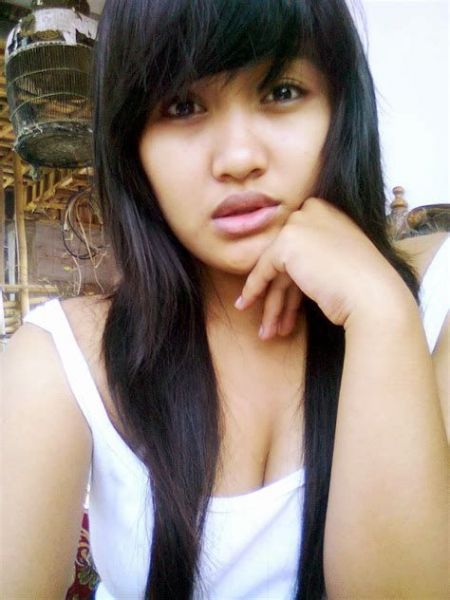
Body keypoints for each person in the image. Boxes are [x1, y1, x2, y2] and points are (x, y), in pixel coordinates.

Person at [1, 1, 447, 599]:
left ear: (342, 109)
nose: (239, 159)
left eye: (282, 91)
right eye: (182, 106)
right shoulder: (60, 359)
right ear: (130, 145)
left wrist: (382, 314)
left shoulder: (435, 305)